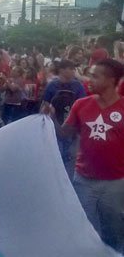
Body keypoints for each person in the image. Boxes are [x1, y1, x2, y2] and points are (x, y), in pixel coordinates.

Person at [46, 59, 124, 252]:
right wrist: (51, 118)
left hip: (115, 183)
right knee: (84, 227)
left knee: (113, 228)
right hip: (84, 180)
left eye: (95, 76)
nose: (89, 79)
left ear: (112, 79)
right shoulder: (81, 104)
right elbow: (65, 133)